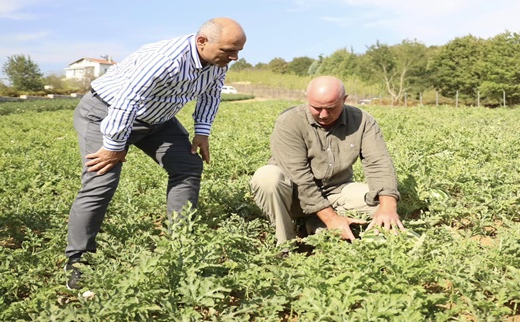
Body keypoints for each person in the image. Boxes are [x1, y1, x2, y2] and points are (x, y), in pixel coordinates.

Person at [64, 17, 247, 290]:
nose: (233, 58)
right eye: (228, 51)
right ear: (202, 42)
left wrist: (202, 132)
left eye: (237, 52)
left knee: (187, 166)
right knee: (101, 180)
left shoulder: (216, 62)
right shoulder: (165, 59)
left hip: (157, 121)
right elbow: (127, 101)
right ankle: (78, 260)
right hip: (106, 113)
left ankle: (180, 243)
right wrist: (115, 147)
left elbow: (211, 94)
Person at [249, 76, 404, 247]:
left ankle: (316, 224)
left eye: (331, 108)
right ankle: (286, 243)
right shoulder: (289, 122)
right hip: (293, 197)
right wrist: (331, 218)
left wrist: (388, 206)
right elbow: (299, 178)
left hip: (336, 190)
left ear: (344, 100)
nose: (323, 115)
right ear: (307, 98)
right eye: (316, 108)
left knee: (382, 202)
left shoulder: (363, 121)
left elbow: (379, 162)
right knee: (266, 178)